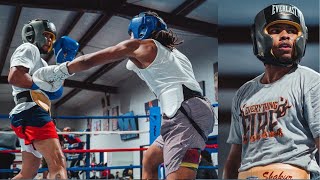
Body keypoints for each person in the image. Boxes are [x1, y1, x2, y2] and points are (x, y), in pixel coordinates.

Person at [29, 11, 215, 180]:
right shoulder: (173, 53)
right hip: (184, 112)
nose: (129, 37)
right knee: (150, 159)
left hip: (185, 114)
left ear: (140, 29)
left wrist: (60, 70)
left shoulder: (142, 46)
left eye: (131, 32)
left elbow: (90, 60)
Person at [223, 3, 320, 179]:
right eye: (276, 30)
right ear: (259, 37)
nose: (285, 36)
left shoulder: (311, 82)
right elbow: (235, 156)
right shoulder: (244, 93)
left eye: (291, 31)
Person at [8, 19, 79, 179]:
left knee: (28, 173)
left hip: (31, 113)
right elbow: (15, 76)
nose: (49, 40)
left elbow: (55, 92)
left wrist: (62, 65)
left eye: (51, 37)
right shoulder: (29, 48)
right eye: (46, 35)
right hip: (32, 112)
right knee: (58, 164)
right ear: (32, 34)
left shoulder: (42, 63)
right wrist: (39, 87)